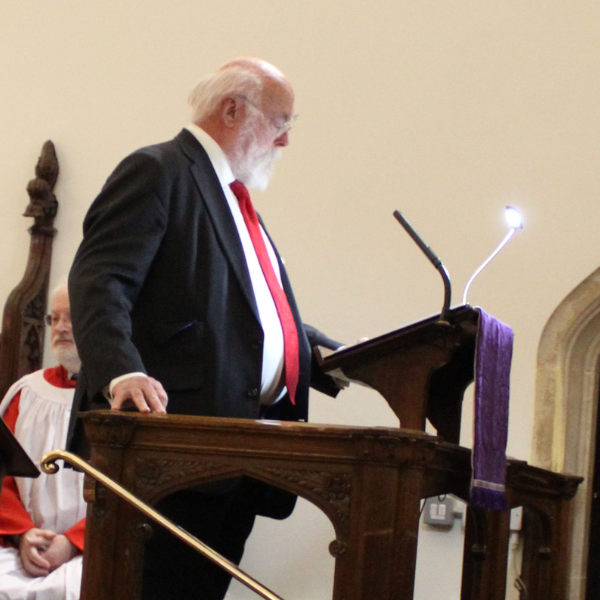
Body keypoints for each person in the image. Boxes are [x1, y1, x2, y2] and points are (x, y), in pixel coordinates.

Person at [67, 56, 344, 600]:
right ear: (234, 110)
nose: (285, 142)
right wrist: (122, 372)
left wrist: (344, 357)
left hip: (235, 456)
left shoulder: (237, 204)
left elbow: (255, 316)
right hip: (168, 447)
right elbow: (100, 278)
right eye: (281, 123)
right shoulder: (159, 171)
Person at [0, 283, 86, 600]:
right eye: (55, 318)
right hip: (18, 542)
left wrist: (75, 542)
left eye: (72, 317)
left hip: (91, 547)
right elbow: (3, 477)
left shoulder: (117, 399)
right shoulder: (27, 393)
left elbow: (130, 489)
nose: (61, 328)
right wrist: (22, 533)